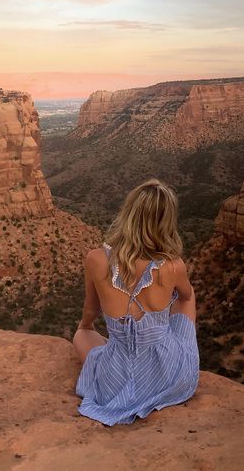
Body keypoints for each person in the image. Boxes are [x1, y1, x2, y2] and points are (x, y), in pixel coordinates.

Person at [73, 178, 199, 426]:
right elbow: (185, 298)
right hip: (169, 377)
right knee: (186, 296)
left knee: (82, 334)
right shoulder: (174, 266)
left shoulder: (96, 259)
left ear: (128, 214)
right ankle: (176, 350)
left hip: (115, 382)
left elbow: (91, 310)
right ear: (166, 222)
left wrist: (86, 326)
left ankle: (119, 348)